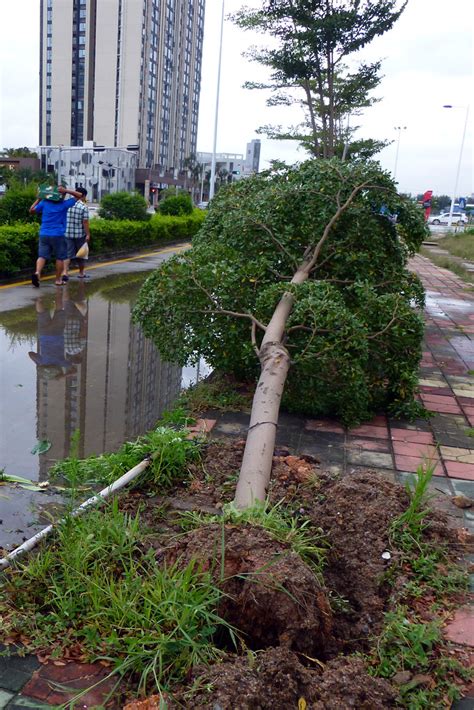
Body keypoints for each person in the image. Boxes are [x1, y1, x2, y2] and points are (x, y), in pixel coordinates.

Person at [29, 185, 83, 287]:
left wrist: (39, 199)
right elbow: (79, 195)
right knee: (60, 258)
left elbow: (31, 210)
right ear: (61, 196)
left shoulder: (44, 203)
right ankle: (58, 280)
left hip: (44, 234)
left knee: (42, 256)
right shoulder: (64, 204)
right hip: (58, 235)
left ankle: (37, 273)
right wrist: (66, 190)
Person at [62, 186, 91, 281]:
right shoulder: (83, 206)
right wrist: (88, 234)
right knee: (81, 254)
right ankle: (81, 273)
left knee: (67, 254)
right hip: (79, 234)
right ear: (83, 196)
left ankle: (65, 272)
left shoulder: (66, 204)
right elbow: (85, 222)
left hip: (67, 233)